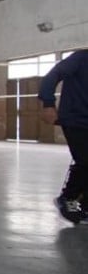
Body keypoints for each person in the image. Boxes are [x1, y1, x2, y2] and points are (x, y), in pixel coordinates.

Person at [38, 49, 88, 224]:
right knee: (85, 161)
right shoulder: (81, 58)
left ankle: (84, 206)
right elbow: (52, 76)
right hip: (75, 120)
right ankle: (68, 199)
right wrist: (48, 103)